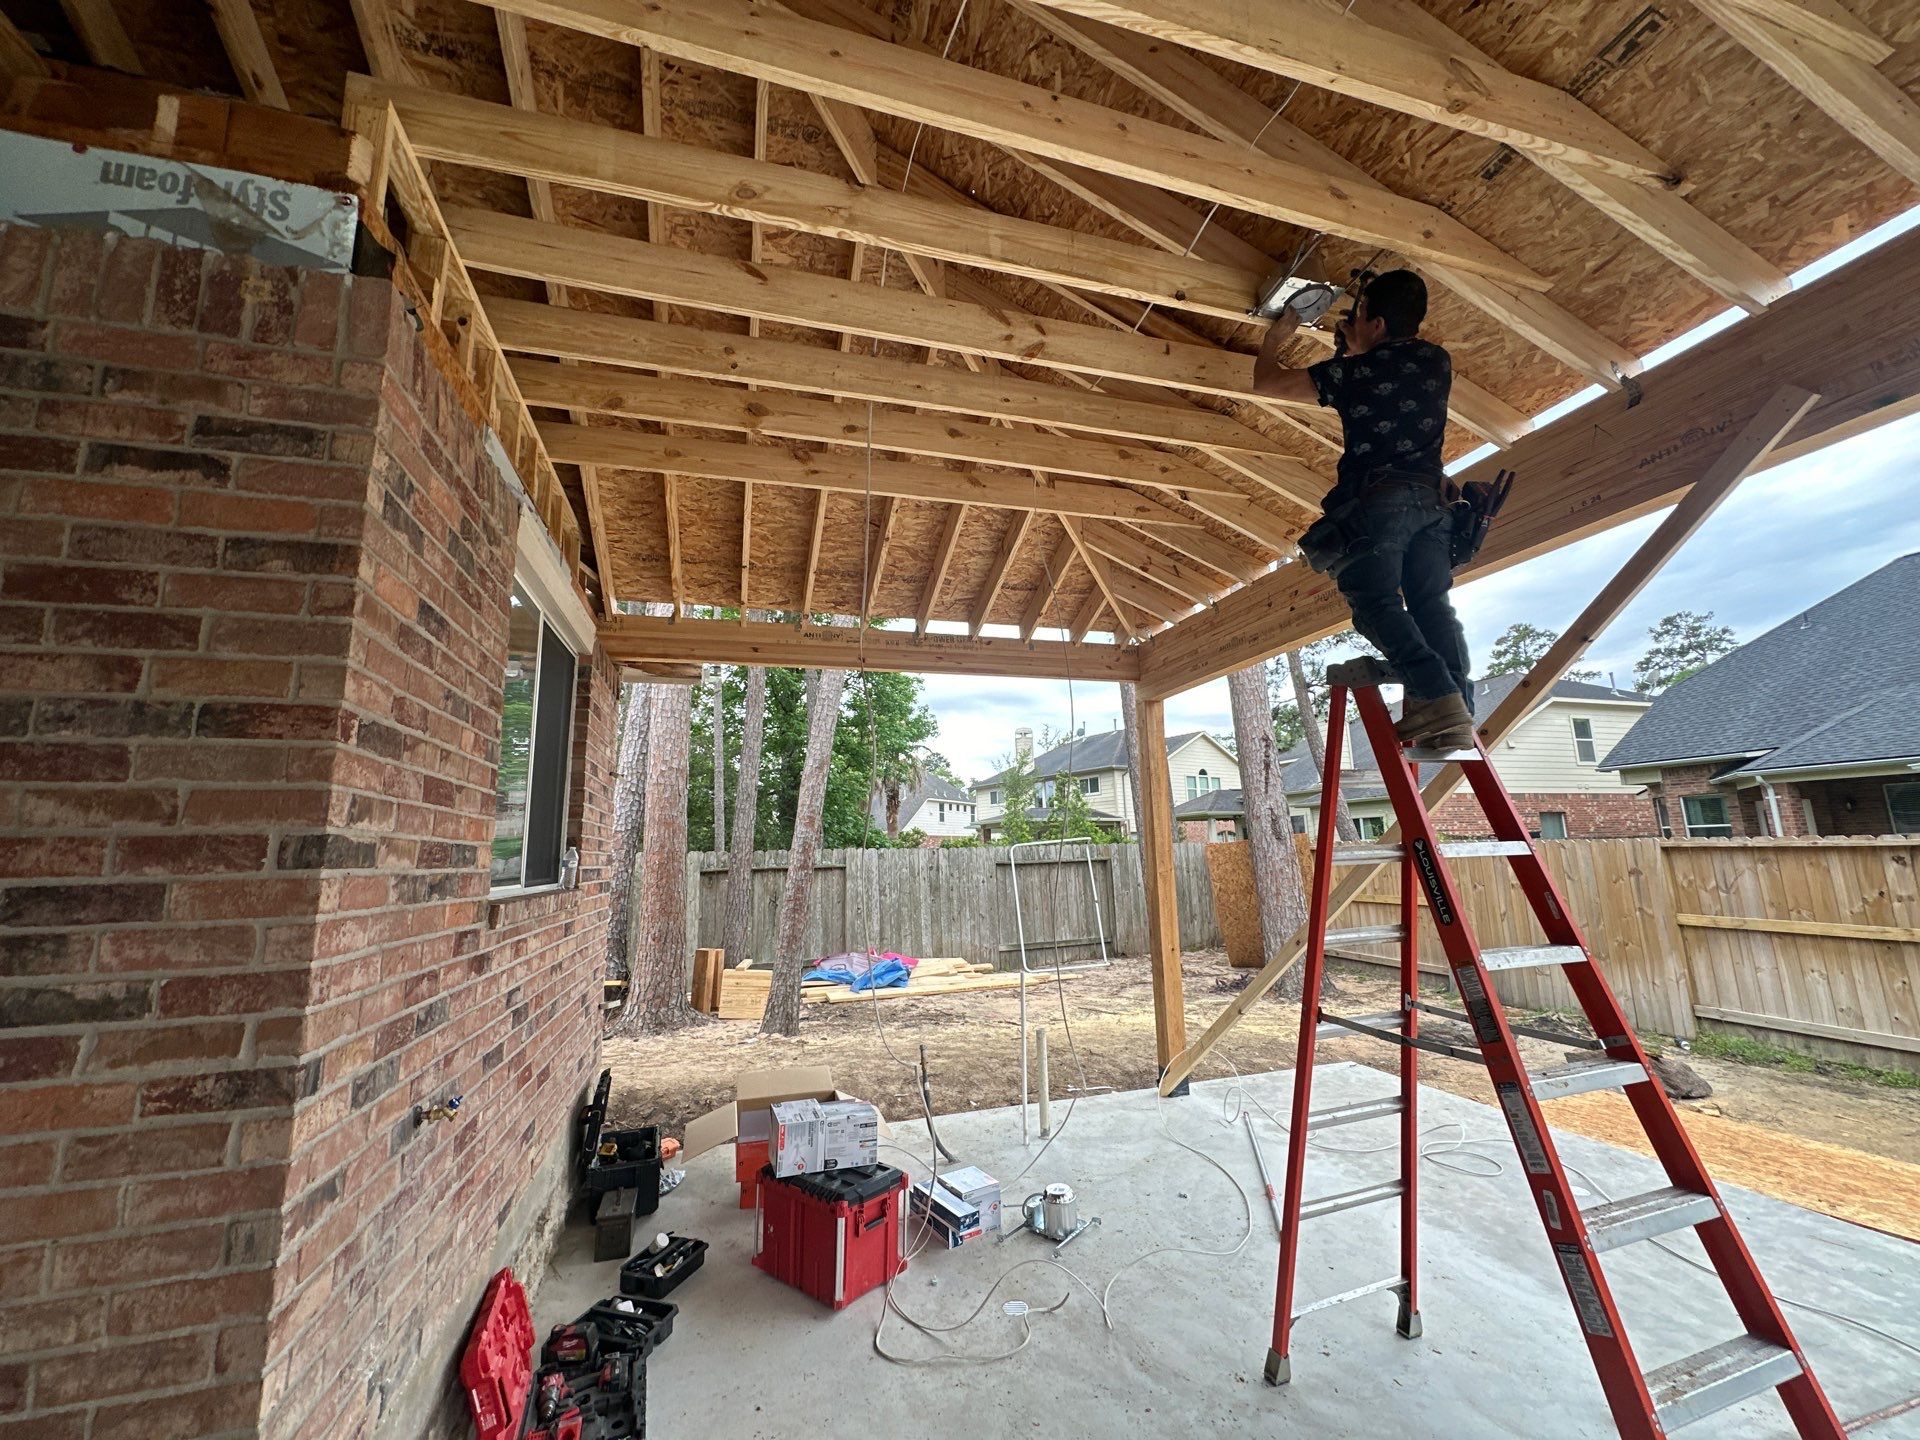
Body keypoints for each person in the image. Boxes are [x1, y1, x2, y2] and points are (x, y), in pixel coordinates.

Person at [1251, 269, 1474, 751]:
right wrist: (1356, 347)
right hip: (1434, 506)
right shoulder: (1437, 360)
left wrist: (1277, 336)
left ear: (1375, 323)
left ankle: (1437, 695)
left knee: (1375, 603)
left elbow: (1267, 383)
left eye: (1357, 317)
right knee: (1431, 603)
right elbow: (1392, 379)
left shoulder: (1355, 373)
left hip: (1382, 504)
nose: (1351, 325)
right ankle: (1457, 706)